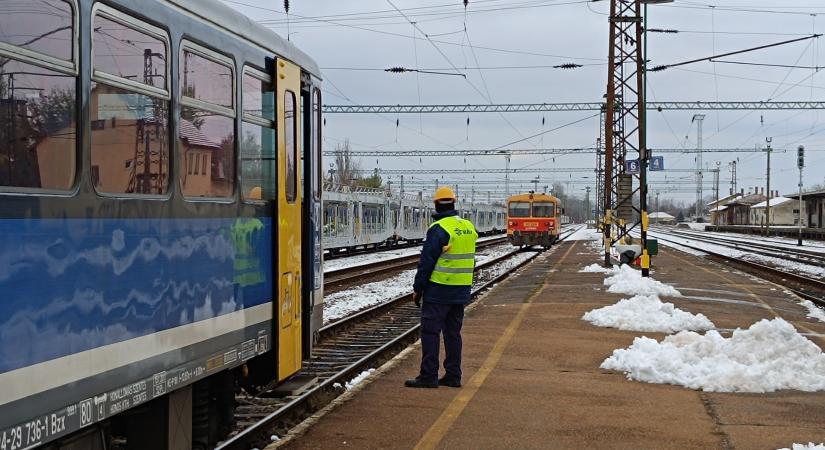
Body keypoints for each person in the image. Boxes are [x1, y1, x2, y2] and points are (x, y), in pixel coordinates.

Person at [405, 186, 478, 389]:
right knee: (453, 334)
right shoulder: (468, 227)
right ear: (454, 203)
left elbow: (426, 262)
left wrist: (418, 289)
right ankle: (454, 376)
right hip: (461, 290)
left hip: (439, 290)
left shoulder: (439, 228)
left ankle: (428, 376)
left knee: (430, 332)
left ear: (436, 204)